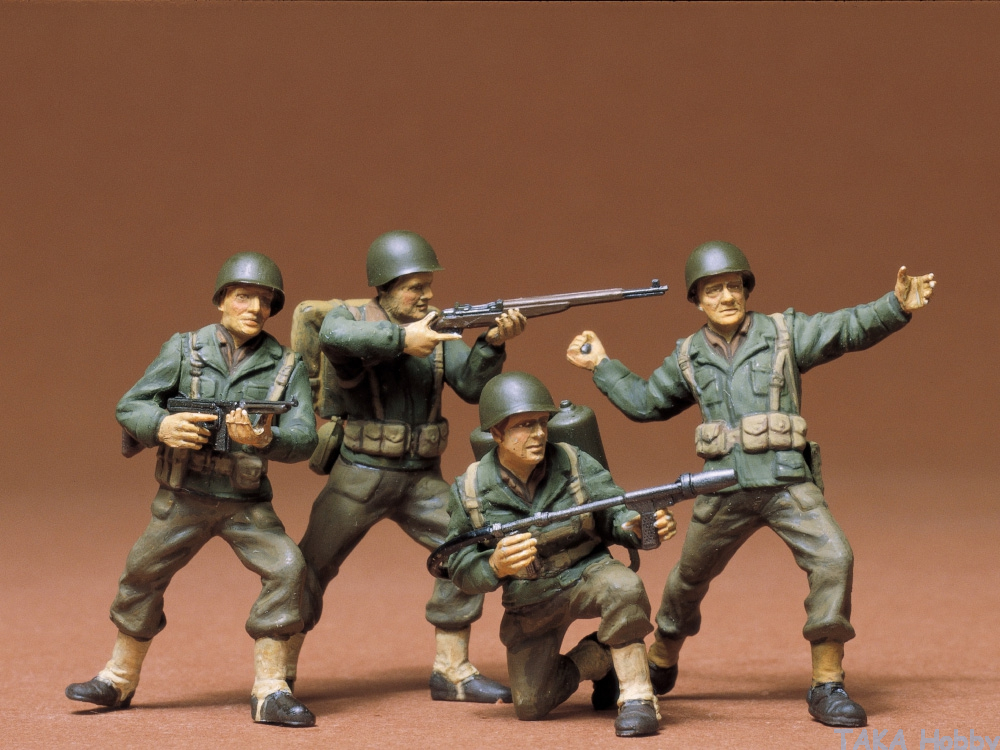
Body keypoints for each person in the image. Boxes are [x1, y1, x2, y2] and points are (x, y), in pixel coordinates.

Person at [566, 241, 936, 728]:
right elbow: (645, 402)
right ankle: (660, 661)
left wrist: (895, 306)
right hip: (724, 488)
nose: (726, 297)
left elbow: (846, 328)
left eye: (733, 286)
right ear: (697, 300)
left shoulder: (784, 333)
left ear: (746, 289)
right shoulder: (688, 356)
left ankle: (827, 682)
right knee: (686, 580)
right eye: (713, 290)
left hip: (784, 482)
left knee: (834, 558)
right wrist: (601, 365)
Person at [66, 252, 319, 728]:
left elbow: (305, 437)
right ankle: (118, 677)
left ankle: (271, 688)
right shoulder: (184, 349)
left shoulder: (287, 365)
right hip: (183, 496)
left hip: (245, 502)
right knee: (141, 573)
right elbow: (131, 405)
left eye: (265, 301)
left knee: (288, 568)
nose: (255, 308)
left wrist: (263, 439)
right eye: (243, 296)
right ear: (221, 300)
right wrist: (162, 425)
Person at [291, 230, 526, 703]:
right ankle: (276, 676)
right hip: (359, 473)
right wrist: (402, 339)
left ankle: (452, 670)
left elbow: (471, 386)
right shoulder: (351, 318)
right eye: (415, 287)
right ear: (385, 286)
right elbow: (335, 337)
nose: (426, 295)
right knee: (307, 567)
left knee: (469, 550)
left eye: (428, 286)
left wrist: (491, 344)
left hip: (421, 478)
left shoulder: (435, 329)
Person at [444, 372, 677, 737]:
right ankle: (598, 656)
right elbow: (458, 564)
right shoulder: (470, 490)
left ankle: (637, 698)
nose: (538, 434)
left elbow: (613, 510)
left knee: (624, 587)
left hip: (588, 572)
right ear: (497, 433)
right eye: (524, 425)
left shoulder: (573, 461)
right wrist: (494, 564)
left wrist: (634, 526)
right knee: (532, 704)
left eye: (542, 422)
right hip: (532, 596)